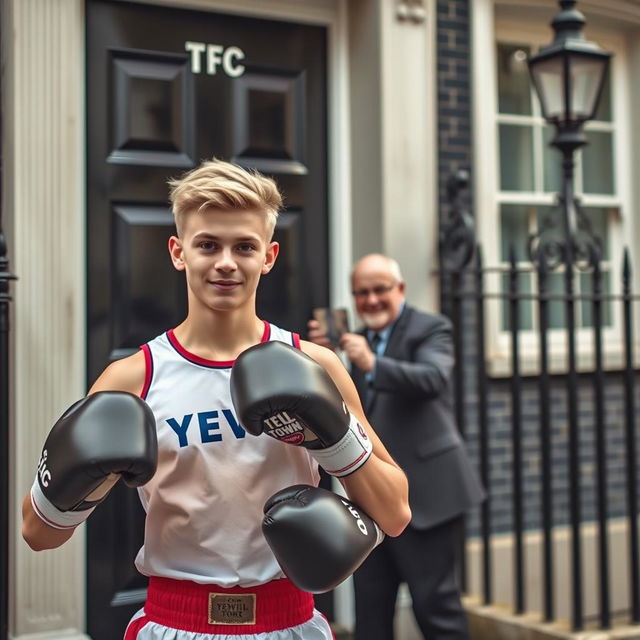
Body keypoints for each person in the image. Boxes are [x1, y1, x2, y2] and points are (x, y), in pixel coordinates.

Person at [21, 160, 411, 640]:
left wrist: (334, 439)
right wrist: (90, 478)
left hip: (289, 620)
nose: (226, 261)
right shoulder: (133, 378)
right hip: (173, 621)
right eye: (207, 244)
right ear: (178, 252)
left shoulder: (316, 365)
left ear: (268, 256)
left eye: (244, 246)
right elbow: (38, 534)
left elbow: (394, 514)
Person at [308, 253, 485, 640]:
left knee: (435, 607)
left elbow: (432, 378)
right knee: (371, 609)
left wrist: (371, 363)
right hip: (369, 500)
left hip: (428, 496)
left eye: (379, 290)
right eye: (361, 293)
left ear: (400, 289)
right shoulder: (356, 341)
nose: (371, 301)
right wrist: (331, 361)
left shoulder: (430, 327)